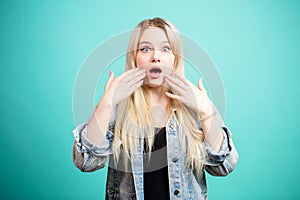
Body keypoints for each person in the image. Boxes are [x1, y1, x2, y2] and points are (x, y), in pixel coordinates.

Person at [72, 17, 239, 200]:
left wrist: (206, 110)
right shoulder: (117, 109)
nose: (155, 56)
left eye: (165, 49)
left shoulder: (195, 106)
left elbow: (223, 166)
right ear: (135, 58)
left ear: (175, 58)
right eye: (145, 49)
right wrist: (106, 103)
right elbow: (86, 162)